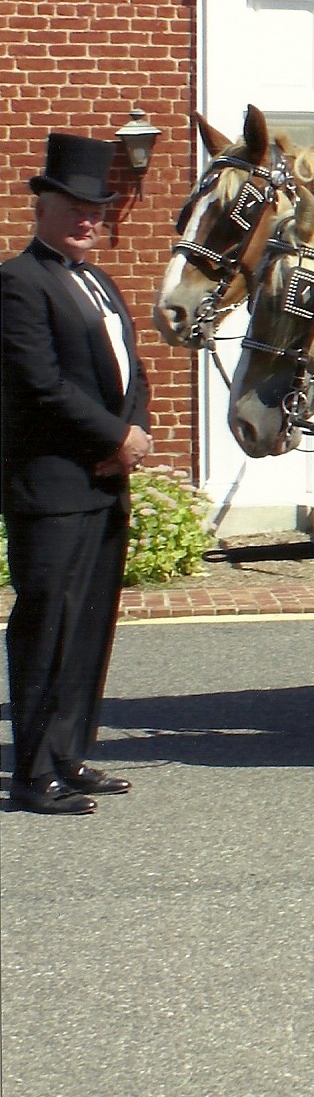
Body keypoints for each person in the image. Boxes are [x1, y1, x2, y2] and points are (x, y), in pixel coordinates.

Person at [2, 133, 152, 815]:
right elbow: (40, 385)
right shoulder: (19, 283)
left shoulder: (101, 281)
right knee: (46, 627)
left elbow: (134, 373)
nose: (90, 218)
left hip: (104, 482)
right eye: (77, 206)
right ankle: (33, 773)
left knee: (90, 625)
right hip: (53, 487)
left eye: (99, 207)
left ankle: (69, 754)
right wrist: (116, 436)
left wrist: (132, 434)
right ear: (43, 206)